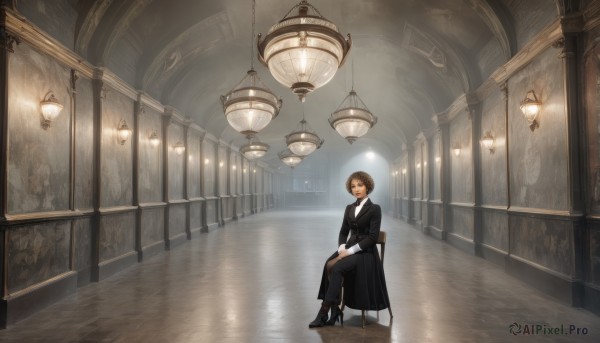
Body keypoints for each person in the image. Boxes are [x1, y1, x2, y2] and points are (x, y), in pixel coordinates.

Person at [309, 171, 390, 328]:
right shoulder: (349, 208)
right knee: (328, 264)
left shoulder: (375, 209)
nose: (356, 189)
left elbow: (372, 238)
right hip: (348, 248)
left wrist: (351, 251)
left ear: (367, 186)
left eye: (360, 185)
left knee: (338, 267)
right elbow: (343, 232)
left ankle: (323, 313)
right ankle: (335, 309)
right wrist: (341, 247)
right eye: (353, 186)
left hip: (365, 253)